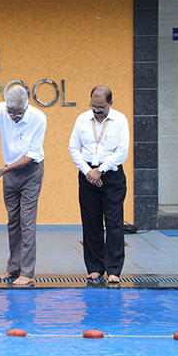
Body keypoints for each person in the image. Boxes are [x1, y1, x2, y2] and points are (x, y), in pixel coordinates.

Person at [0, 85, 46, 286]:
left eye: (18, 113)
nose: (13, 117)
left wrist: (4, 170)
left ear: (26, 106)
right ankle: (13, 267)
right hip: (8, 172)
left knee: (27, 222)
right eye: (10, 112)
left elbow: (32, 154)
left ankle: (27, 272)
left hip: (31, 172)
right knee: (13, 221)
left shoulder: (38, 118)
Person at [69, 86, 129, 284]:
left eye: (101, 107)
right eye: (93, 106)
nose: (96, 110)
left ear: (111, 103)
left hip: (111, 175)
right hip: (87, 175)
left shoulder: (120, 120)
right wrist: (88, 171)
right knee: (91, 222)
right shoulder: (82, 120)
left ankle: (114, 270)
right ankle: (95, 268)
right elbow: (73, 148)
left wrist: (100, 170)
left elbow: (122, 152)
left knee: (114, 223)